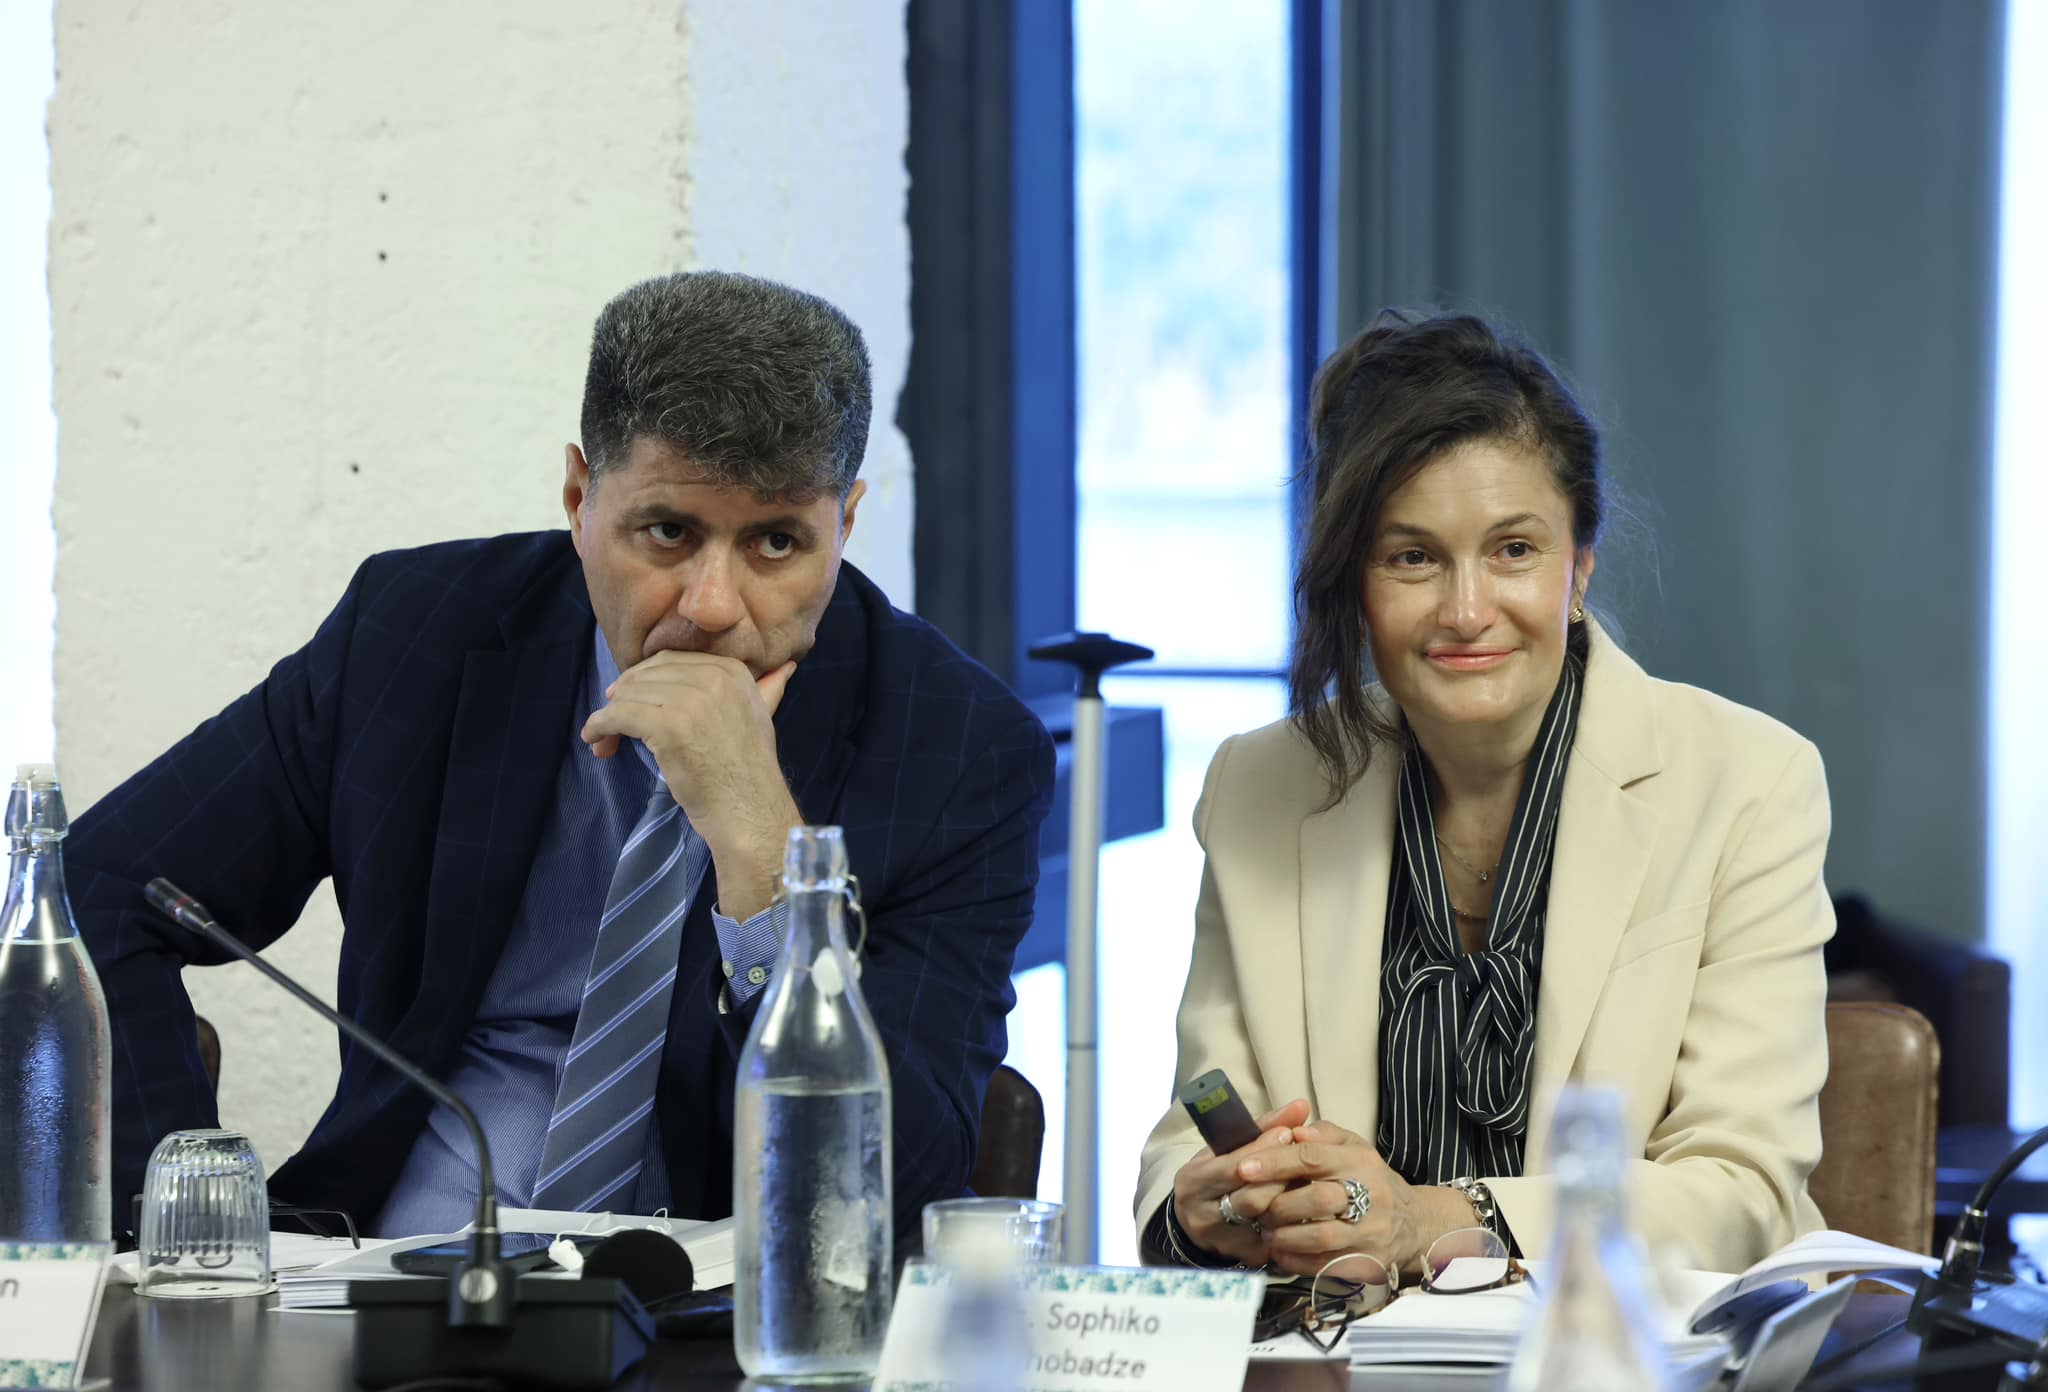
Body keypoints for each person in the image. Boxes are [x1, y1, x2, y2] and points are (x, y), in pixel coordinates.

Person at [69, 271, 1055, 1248]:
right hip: (397, 1276)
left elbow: (904, 1190)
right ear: (580, 497)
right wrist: (188, 1239)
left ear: (845, 524)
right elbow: (96, 891)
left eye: (775, 544)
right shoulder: (417, 637)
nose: (712, 605)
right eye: (667, 532)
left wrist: (764, 853)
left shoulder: (959, 750)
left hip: (721, 1303)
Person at [1136, 311, 1832, 1279]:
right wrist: (1216, 1202)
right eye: (1411, 557)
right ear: (1353, 585)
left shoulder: (1748, 780)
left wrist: (1433, 1221)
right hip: (1340, 1341)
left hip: (1620, 1342)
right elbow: (1196, 1123)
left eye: (1513, 550)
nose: (1465, 612)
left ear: (1577, 568)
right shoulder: (1260, 785)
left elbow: (1738, 1191)